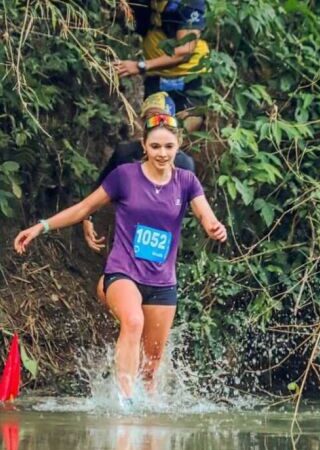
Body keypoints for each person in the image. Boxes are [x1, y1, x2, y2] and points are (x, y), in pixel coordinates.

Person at [14, 114, 227, 400]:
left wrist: (214, 228)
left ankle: (147, 426)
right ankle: (124, 401)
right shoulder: (125, 176)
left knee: (151, 367)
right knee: (133, 321)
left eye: (168, 146)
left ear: (178, 146)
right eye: (155, 146)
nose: (161, 153)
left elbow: (205, 215)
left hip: (162, 282)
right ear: (144, 145)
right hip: (122, 272)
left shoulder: (186, 181)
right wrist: (42, 226)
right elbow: (83, 208)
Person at [82, 92, 195, 253]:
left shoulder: (184, 164)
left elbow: (191, 205)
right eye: (151, 119)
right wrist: (88, 217)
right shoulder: (125, 153)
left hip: (162, 237)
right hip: (127, 230)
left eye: (162, 119)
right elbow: (101, 187)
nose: (157, 125)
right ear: (143, 124)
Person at [114, 0, 209, 133]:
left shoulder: (190, 3)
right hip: (156, 77)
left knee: (181, 134)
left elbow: (184, 51)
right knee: (155, 130)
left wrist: (141, 66)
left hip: (189, 78)